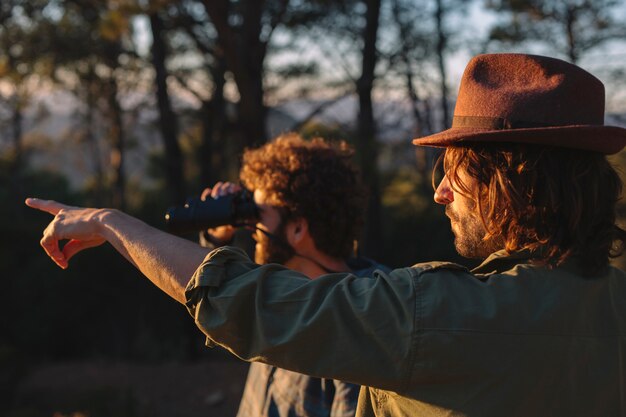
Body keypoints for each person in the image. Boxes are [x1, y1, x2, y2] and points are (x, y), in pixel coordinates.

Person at [26, 53, 626, 416]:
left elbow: (248, 304)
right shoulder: (611, 300)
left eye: (456, 174)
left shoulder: (432, 313)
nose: (439, 193)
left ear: (513, 184)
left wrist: (111, 222)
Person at [198, 134, 389, 417]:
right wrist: (217, 239)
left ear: (298, 229)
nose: (252, 228)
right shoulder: (280, 295)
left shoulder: (357, 323)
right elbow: (215, 296)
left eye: (260, 214)